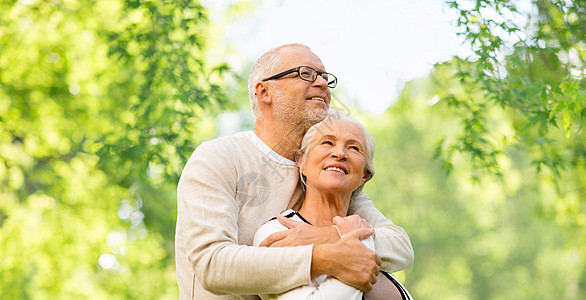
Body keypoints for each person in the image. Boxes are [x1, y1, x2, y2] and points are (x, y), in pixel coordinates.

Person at [175, 43, 414, 299]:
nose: (322, 83)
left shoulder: (325, 175)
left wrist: (329, 236)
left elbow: (399, 246)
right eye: (306, 73)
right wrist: (322, 257)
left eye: (324, 76)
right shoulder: (219, 158)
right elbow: (212, 265)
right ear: (264, 91)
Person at [253, 111, 412, 299]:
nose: (339, 154)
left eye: (354, 148)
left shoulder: (362, 228)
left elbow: (404, 250)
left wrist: (342, 236)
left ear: (364, 176)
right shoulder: (278, 231)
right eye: (327, 142)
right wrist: (358, 241)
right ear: (301, 162)